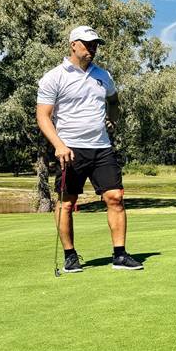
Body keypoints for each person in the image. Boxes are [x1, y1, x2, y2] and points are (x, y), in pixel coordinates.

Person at [35, 26, 143, 273]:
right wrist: (59, 145)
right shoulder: (55, 76)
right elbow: (43, 116)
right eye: (87, 43)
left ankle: (120, 254)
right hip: (70, 149)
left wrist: (112, 118)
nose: (92, 48)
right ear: (73, 44)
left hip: (101, 148)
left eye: (95, 44)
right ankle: (70, 255)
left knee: (115, 197)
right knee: (66, 204)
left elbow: (114, 102)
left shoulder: (103, 75)